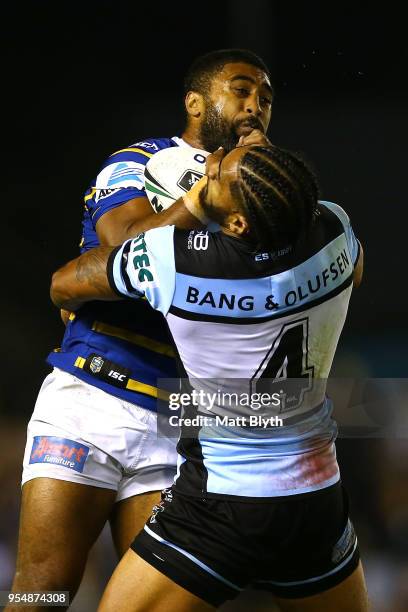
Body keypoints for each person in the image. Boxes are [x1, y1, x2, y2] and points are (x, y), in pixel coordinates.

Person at [50, 143, 368, 612]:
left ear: (237, 223)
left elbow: (66, 284)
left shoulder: (172, 261)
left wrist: (194, 204)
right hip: (315, 499)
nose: (210, 165)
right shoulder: (336, 231)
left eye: (218, 177)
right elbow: (353, 273)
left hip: (222, 501)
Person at [8, 48, 273, 609]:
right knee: (44, 592)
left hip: (176, 420)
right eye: (243, 90)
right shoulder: (135, 162)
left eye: (267, 100)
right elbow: (125, 244)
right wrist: (203, 200)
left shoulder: (266, 202)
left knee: (149, 605)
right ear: (195, 102)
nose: (257, 107)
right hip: (91, 397)